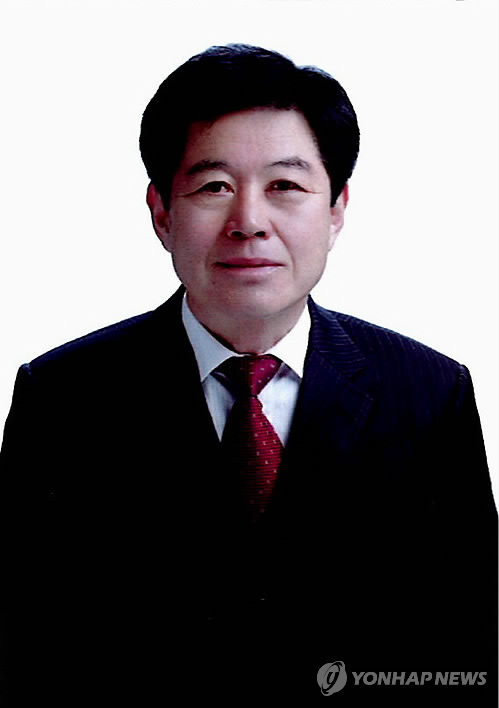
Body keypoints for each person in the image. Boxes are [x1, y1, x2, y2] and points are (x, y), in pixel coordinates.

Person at [0, 44, 496, 708]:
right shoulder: (63, 397)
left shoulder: (430, 393)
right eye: (214, 187)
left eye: (285, 186)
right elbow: (23, 648)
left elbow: (469, 646)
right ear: (161, 211)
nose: (248, 223)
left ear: (336, 208)